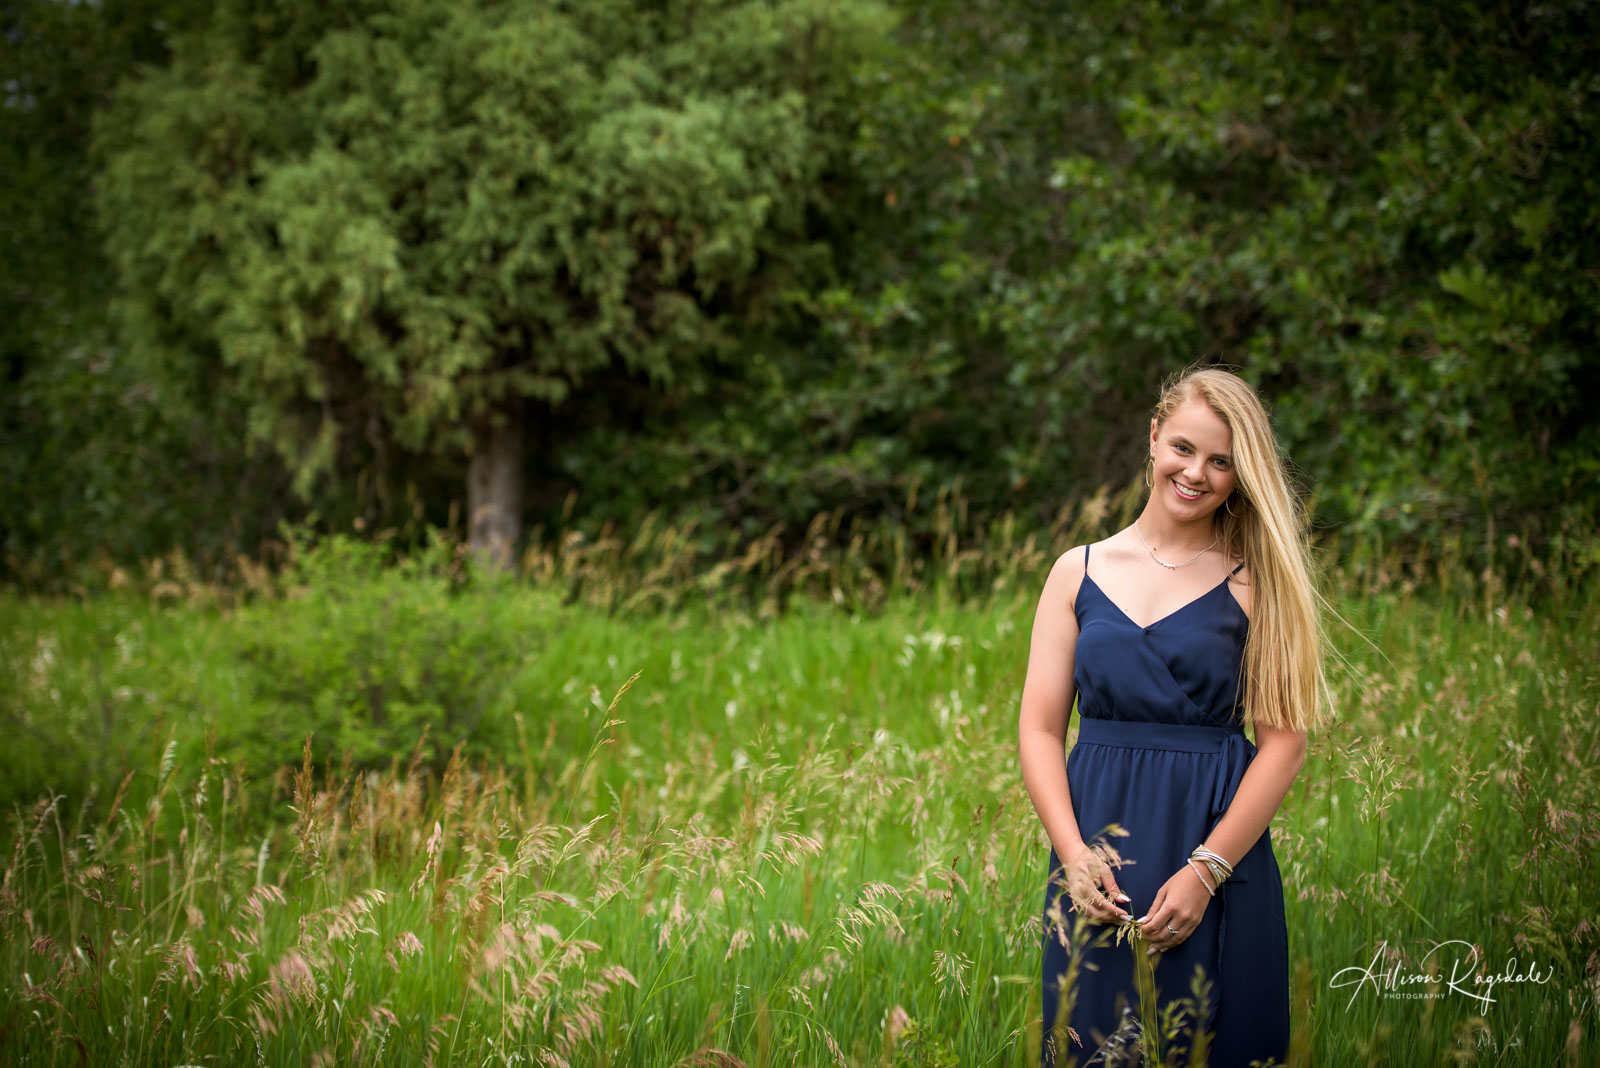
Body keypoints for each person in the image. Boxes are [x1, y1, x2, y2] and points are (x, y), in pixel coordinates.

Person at [1018, 365, 1330, 1067]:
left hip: (1212, 853)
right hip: (1095, 861)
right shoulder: (1078, 570)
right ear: (1154, 437)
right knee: (1093, 1047)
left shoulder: (1256, 580)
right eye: (1184, 448)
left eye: (1222, 461)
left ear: (1241, 475)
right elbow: (1040, 728)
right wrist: (1072, 855)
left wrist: (1207, 870)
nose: (1197, 473)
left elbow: (1284, 745)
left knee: (1211, 1042)